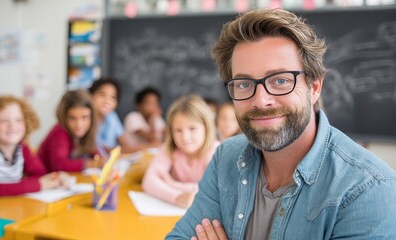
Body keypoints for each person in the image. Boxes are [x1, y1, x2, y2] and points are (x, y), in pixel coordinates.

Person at [167, 8, 396, 240]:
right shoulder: (225, 158)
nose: (260, 100)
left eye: (280, 80)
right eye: (244, 84)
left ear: (314, 87)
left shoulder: (369, 190)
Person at [0, 96, 67, 197]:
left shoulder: (22, 147)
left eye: (18, 120)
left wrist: (55, 177)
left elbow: (40, 174)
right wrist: (32, 185)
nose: (12, 126)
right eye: (4, 121)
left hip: (12, 205)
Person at [142, 95, 219, 208]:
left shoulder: (216, 151)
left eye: (192, 129)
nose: (185, 137)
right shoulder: (169, 148)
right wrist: (177, 197)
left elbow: (214, 190)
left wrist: (171, 183)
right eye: (178, 130)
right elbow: (148, 181)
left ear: (206, 128)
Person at [38, 89, 103, 172]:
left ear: (92, 118)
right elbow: (59, 165)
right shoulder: (59, 132)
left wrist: (101, 160)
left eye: (85, 117)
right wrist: (90, 164)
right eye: (72, 118)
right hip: (47, 179)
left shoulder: (87, 132)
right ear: (64, 117)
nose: (79, 125)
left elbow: (94, 152)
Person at [88, 77, 135, 155]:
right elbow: (103, 150)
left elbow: (126, 145)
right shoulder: (85, 118)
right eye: (102, 95)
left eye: (113, 97)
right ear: (91, 96)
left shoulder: (111, 116)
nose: (107, 101)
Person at [123, 87, 165, 151]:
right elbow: (152, 139)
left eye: (155, 103)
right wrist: (153, 119)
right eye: (149, 103)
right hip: (132, 155)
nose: (153, 107)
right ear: (139, 106)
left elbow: (168, 135)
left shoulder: (158, 119)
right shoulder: (132, 117)